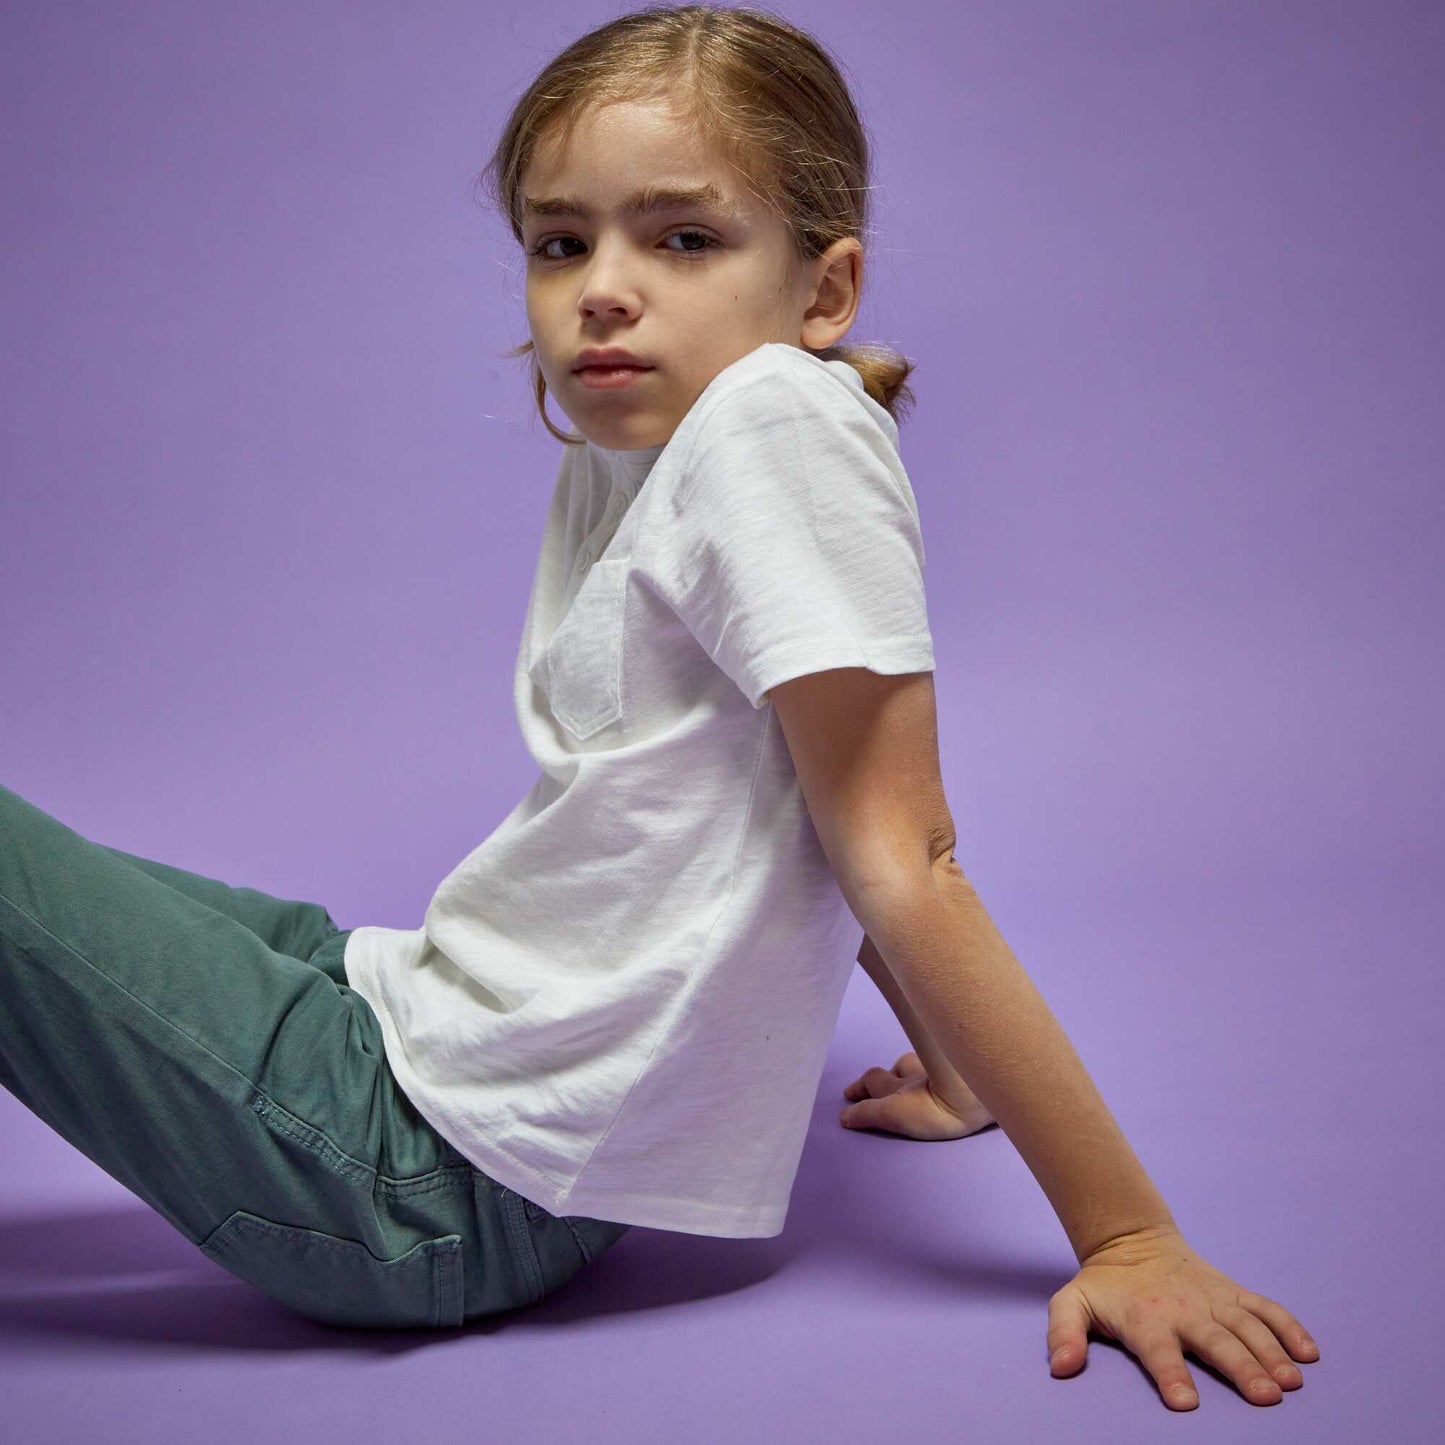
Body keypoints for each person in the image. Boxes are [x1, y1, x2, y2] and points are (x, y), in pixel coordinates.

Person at [0, 2, 1319, 1409]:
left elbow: (901, 849)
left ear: (824, 290)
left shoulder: (771, 426)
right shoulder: (649, 446)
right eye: (559, 242)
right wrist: (953, 1072)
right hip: (420, 1016)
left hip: (413, 1179)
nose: (600, 289)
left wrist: (1128, 1235)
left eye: (681, 238)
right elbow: (800, 807)